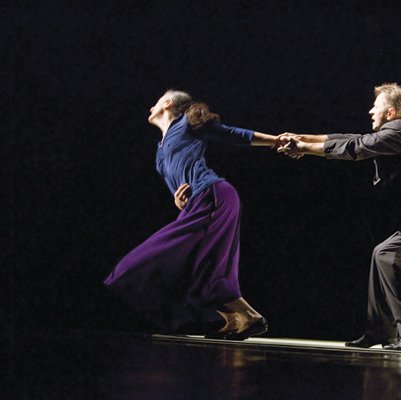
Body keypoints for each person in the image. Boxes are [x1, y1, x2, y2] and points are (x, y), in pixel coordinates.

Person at [278, 83, 401, 350]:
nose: (371, 111)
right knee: (381, 254)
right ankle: (381, 330)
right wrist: (304, 138)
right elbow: (352, 138)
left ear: (391, 112)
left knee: (390, 255)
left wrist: (303, 146)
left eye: (376, 106)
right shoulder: (400, 131)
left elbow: (356, 147)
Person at [104, 89, 278, 340]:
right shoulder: (160, 149)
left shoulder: (186, 123)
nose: (150, 108)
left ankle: (249, 316)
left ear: (168, 103)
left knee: (202, 261)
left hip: (214, 195)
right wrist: (178, 201)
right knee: (189, 263)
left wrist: (276, 141)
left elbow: (233, 134)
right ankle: (232, 318)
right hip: (196, 203)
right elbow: (178, 179)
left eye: (155, 102)